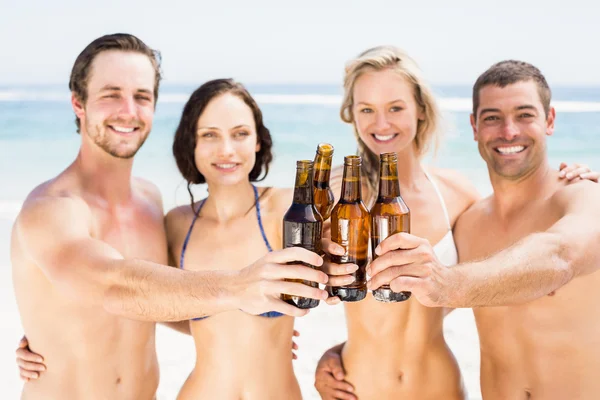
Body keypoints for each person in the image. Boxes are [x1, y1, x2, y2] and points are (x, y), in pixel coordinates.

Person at [10, 33, 328, 400]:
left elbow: (162, 297)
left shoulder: (149, 202)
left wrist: (247, 327)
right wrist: (241, 288)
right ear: (78, 104)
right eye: (111, 94)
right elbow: (116, 286)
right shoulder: (51, 208)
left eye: (142, 96)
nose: (129, 110)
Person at [313, 47, 598, 400]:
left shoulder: (459, 195)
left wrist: (581, 184)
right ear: (351, 115)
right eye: (367, 109)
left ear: (421, 109)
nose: (382, 123)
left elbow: (542, 258)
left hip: (441, 387)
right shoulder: (338, 197)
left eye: (396, 108)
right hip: (359, 386)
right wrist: (336, 349)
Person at [165, 79, 356, 399]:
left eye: (240, 133)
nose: (227, 150)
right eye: (209, 134)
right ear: (191, 143)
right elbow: (153, 302)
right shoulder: (176, 223)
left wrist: (336, 349)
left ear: (257, 141)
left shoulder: (288, 209)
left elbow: (352, 177)